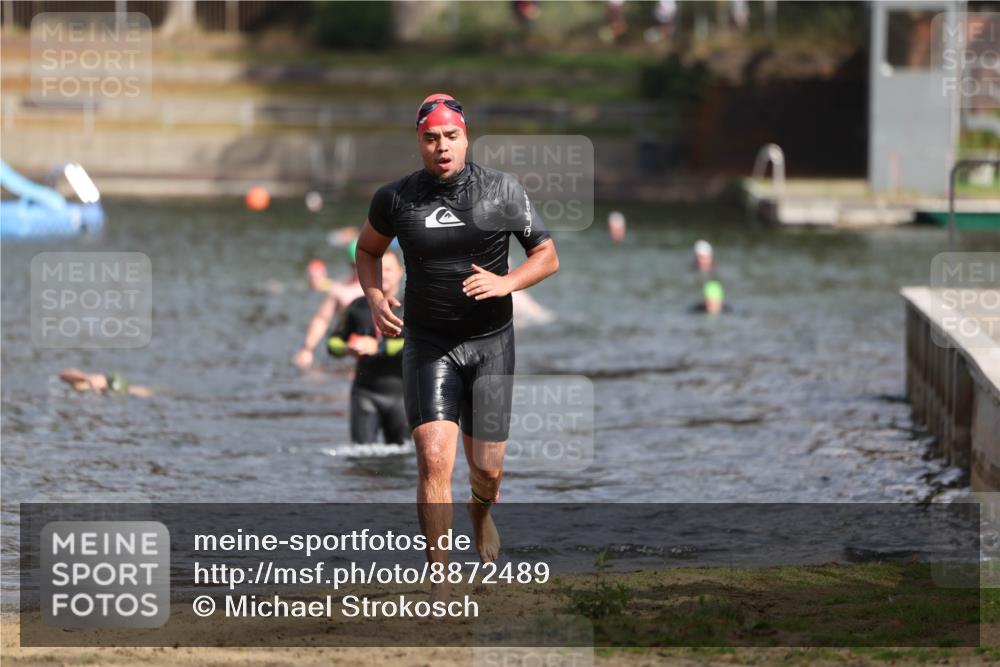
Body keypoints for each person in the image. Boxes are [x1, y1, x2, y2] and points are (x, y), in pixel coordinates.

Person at [354, 93, 560, 601]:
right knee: (433, 458)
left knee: (487, 468)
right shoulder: (395, 199)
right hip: (429, 344)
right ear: (419, 143)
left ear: (466, 137)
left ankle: (480, 510)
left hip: (490, 343)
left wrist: (506, 283)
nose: (441, 147)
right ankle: (440, 576)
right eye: (431, 139)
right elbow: (367, 250)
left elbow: (547, 256)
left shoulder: (501, 191)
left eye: (450, 137)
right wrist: (376, 294)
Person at [327, 251, 408, 444]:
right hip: (365, 395)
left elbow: (415, 342)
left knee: (402, 460)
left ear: (401, 272)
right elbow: (332, 343)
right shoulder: (357, 306)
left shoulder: (412, 307)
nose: (384, 274)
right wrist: (347, 349)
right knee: (362, 457)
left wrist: (378, 346)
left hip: (402, 396)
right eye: (378, 269)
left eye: (388, 269)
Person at [294, 241, 365, 369]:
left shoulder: (384, 283)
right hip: (349, 348)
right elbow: (322, 319)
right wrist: (307, 348)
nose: (358, 269)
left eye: (363, 263)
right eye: (354, 265)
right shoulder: (340, 289)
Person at [59, 368, 152, 397]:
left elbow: (144, 392)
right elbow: (64, 375)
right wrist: (87, 378)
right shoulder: (84, 383)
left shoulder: (105, 391)